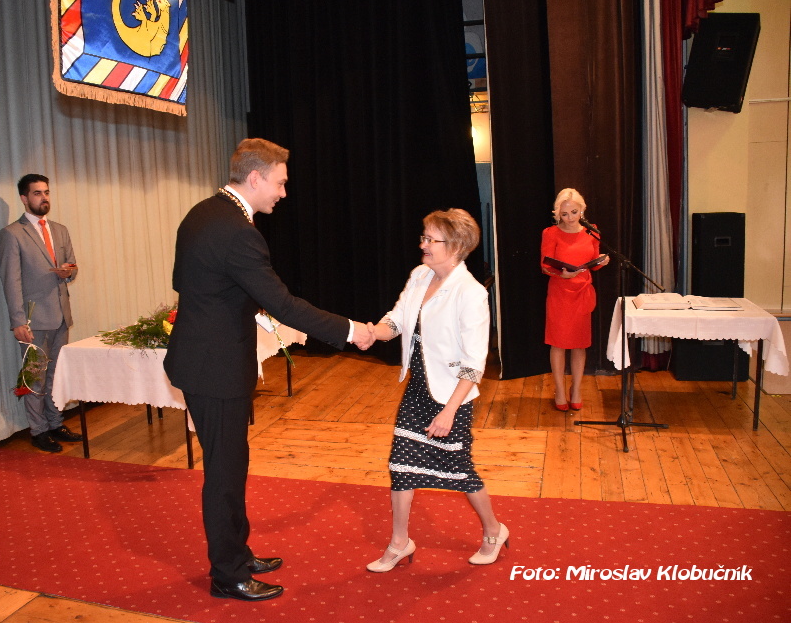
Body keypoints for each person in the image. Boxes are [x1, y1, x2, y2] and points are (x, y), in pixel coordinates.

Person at [164, 138, 374, 601]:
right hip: (215, 368)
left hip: (204, 361)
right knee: (224, 474)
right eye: (279, 183)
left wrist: (237, 304)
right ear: (255, 178)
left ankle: (238, 553)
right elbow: (284, 303)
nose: (283, 192)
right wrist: (351, 330)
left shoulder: (203, 212)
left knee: (231, 465)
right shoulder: (238, 231)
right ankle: (228, 574)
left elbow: (188, 282)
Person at [365, 208, 508, 572]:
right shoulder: (420, 275)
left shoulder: (471, 293)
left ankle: (494, 530)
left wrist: (449, 411)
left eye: (431, 239)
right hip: (418, 388)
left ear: (456, 246)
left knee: (459, 469)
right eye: (424, 237)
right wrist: (371, 332)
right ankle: (400, 543)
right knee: (401, 466)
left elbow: (474, 363)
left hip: (452, 396)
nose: (423, 245)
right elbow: (396, 319)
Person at [0, 174, 84, 453]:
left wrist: (69, 272)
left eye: (46, 192)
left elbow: (72, 266)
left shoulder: (60, 229)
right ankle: (38, 430)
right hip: (33, 319)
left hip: (61, 314)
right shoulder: (12, 233)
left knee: (56, 374)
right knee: (35, 375)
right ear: (24, 198)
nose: (44, 197)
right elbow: (11, 281)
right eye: (37, 193)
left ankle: (55, 423)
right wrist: (17, 321)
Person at [540, 188, 610, 411]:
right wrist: (561, 274)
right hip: (560, 293)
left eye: (574, 212)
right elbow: (544, 266)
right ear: (557, 214)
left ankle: (576, 389)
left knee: (580, 345)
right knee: (558, 344)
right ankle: (560, 390)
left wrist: (601, 261)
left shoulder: (592, 231)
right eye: (564, 214)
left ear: (582, 210)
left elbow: (593, 262)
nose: (570, 218)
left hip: (582, 293)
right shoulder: (550, 233)